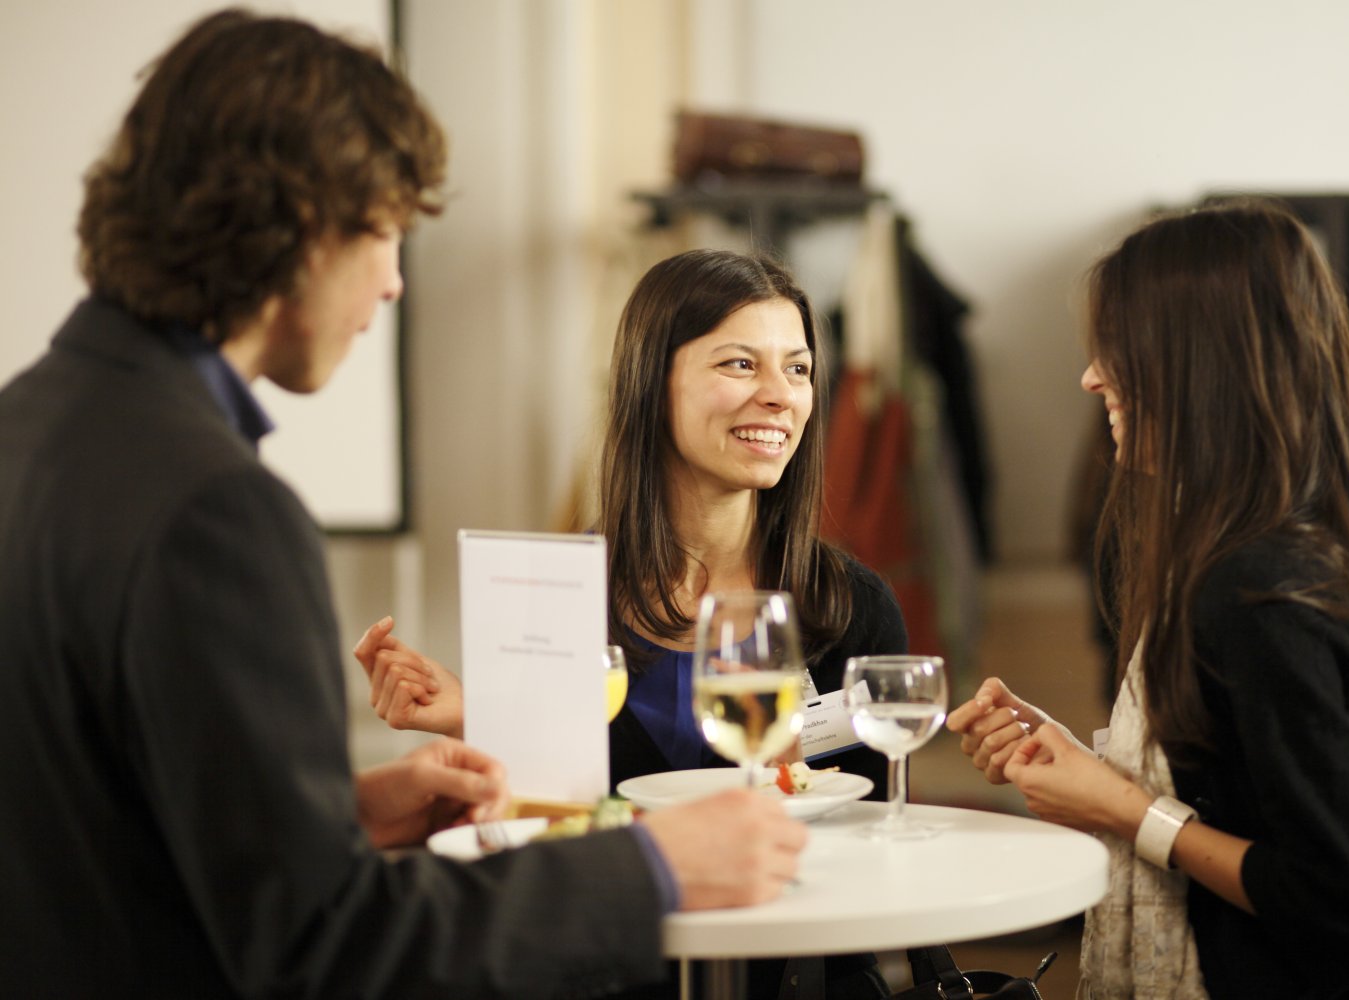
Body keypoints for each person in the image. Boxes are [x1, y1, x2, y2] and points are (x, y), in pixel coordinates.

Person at [0, 11, 806, 998]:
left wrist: (339, 813)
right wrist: (655, 868)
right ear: (291, 225)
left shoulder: (25, 428)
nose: (391, 283)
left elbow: (80, 819)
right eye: (381, 231)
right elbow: (329, 950)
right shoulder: (217, 511)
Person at [358, 248, 908, 997]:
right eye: (741, 365)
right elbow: (557, 839)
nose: (782, 396)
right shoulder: (553, 599)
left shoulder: (851, 609)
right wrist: (484, 720)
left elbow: (870, 846)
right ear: (654, 384)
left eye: (800, 368)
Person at [946, 201, 1349, 998]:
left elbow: (1343, 907)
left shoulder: (1255, 590)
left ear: (1197, 363)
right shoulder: (1254, 549)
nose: (1091, 375)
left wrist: (1121, 807)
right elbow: (1244, 788)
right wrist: (1093, 768)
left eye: (1118, 346)